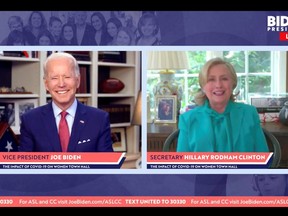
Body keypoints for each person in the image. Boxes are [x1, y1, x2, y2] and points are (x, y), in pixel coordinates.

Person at [19, 52, 113, 152]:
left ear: (78, 81)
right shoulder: (30, 120)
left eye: (67, 77)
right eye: (54, 78)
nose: (61, 84)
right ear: (46, 84)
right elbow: (24, 165)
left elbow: (106, 166)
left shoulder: (99, 119)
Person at [177, 57, 269, 152]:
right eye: (211, 79)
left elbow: (262, 158)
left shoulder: (249, 113)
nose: (218, 85)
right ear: (203, 86)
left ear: (233, 84)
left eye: (224, 79)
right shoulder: (187, 119)